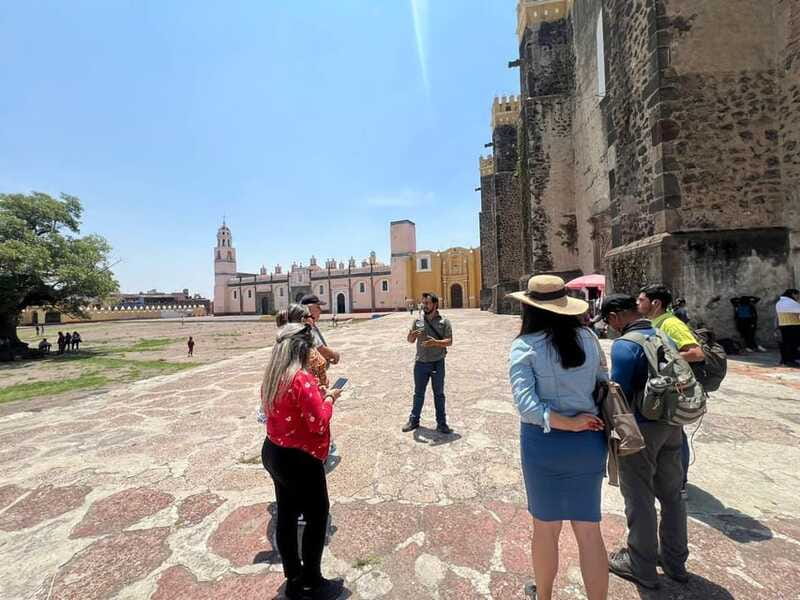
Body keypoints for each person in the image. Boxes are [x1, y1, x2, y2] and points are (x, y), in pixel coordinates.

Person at [507, 275, 609, 600]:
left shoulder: (524, 346)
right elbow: (604, 382)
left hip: (544, 445)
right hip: (589, 442)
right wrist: (582, 421)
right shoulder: (589, 338)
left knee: (545, 530)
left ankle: (545, 595)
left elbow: (527, 406)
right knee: (589, 532)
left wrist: (566, 422)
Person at [601, 294, 689, 590]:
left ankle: (642, 565)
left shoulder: (626, 345)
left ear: (615, 317)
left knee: (639, 497)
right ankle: (675, 560)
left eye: (608, 321)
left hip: (642, 429)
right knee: (672, 494)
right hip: (672, 423)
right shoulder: (662, 333)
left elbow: (619, 394)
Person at [260, 323, 345, 600]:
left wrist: (316, 397)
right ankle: (313, 581)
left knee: (286, 514)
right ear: (302, 347)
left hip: (274, 451)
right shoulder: (300, 378)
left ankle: (294, 579)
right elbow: (318, 423)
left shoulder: (274, 376)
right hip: (299, 459)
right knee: (317, 517)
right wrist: (330, 398)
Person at [637, 284, 704, 497]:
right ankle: (668, 478)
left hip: (676, 390)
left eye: (641, 300)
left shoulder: (671, 324)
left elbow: (696, 352)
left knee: (677, 434)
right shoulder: (654, 322)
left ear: (655, 303)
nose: (638, 304)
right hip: (662, 390)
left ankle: (680, 481)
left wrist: (662, 360)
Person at [402, 292, 454, 434]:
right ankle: (414, 420)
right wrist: (411, 335)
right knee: (418, 393)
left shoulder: (444, 321)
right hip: (421, 363)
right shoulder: (418, 321)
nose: (424, 305)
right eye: (423, 303)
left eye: (427, 303)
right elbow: (410, 340)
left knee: (439, 394)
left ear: (435, 304)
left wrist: (436, 343)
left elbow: (449, 341)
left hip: (437, 363)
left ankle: (442, 424)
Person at [300, 295, 340, 366]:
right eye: (318, 307)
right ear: (308, 309)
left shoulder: (309, 325)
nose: (320, 310)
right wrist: (334, 355)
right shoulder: (305, 327)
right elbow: (319, 349)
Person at [776, 289, 800, 367]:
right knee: (793, 344)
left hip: (782, 325)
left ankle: (784, 360)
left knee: (785, 344)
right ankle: (791, 360)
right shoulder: (791, 302)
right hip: (793, 326)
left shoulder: (779, 302)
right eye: (797, 295)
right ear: (793, 294)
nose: (798, 297)